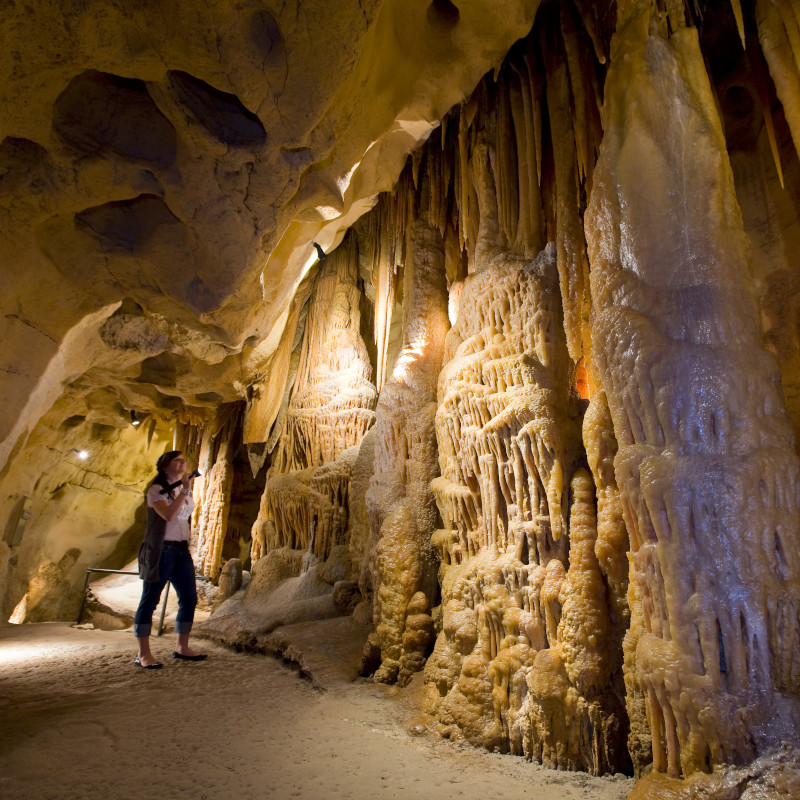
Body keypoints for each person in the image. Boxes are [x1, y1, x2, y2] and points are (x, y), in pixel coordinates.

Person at [133, 450, 206, 668]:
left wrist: (185, 491)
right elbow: (168, 515)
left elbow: (183, 518)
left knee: (189, 598)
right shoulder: (156, 490)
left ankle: (181, 647)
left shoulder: (182, 491)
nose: (183, 463)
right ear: (164, 466)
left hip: (181, 551)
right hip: (161, 550)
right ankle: (143, 653)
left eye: (184, 460)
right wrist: (185, 490)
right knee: (150, 600)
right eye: (177, 460)